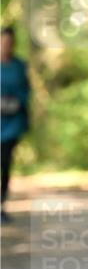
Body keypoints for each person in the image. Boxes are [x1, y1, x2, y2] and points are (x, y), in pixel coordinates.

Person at [1, 26, 31, 224]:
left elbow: (26, 92)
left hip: (11, 124)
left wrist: (14, 102)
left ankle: (1, 204)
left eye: (9, 42)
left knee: (5, 163)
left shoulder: (19, 65)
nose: (6, 45)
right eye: (3, 41)